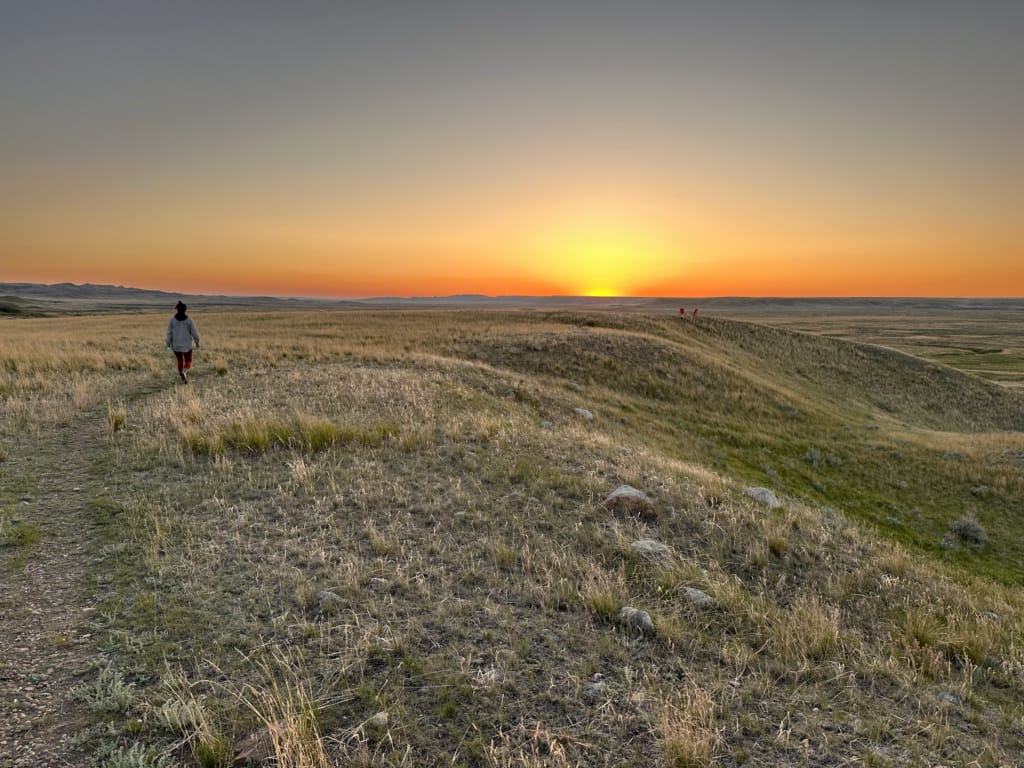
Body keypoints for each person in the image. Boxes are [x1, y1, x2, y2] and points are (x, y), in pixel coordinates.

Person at [166, 301, 201, 383]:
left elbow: (168, 334)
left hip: (175, 345)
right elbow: (195, 334)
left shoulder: (172, 320)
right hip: (187, 345)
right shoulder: (189, 320)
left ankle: (183, 379)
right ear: (185, 310)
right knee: (188, 361)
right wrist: (197, 344)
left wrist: (168, 346)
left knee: (180, 361)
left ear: (177, 310)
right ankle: (184, 371)